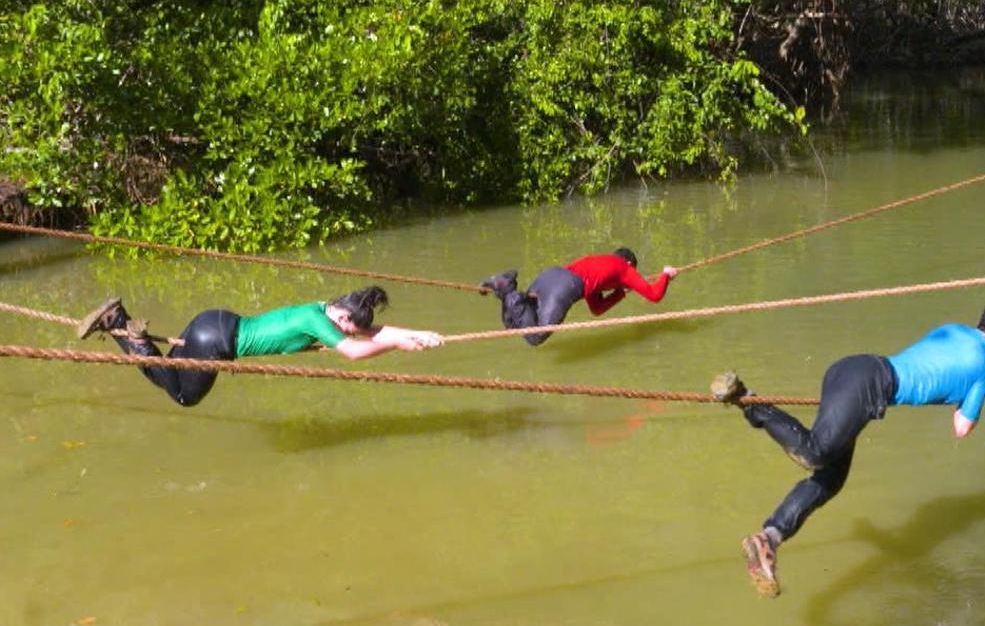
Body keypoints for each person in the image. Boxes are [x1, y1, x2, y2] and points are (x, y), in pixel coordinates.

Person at [711, 288, 985, 598]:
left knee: (831, 478)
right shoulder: (983, 367)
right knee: (814, 453)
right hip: (869, 386)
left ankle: (769, 538)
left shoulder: (954, 330)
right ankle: (749, 400)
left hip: (851, 369)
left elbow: (940, 362)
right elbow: (961, 427)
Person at [76, 286, 443, 407]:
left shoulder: (321, 309)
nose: (348, 330)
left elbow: (371, 332)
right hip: (216, 341)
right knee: (181, 394)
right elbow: (353, 351)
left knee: (169, 371)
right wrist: (397, 344)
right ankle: (120, 324)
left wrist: (417, 334)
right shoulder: (318, 322)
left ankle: (124, 327)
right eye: (349, 324)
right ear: (342, 316)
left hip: (214, 321)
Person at [480, 248, 679, 346]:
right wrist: (666, 275)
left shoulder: (601, 265)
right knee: (535, 336)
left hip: (549, 277)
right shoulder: (624, 268)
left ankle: (501, 287)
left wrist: (619, 293)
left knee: (514, 326)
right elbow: (654, 295)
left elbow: (596, 309)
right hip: (565, 286)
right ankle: (506, 287)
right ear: (628, 262)